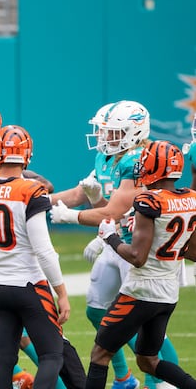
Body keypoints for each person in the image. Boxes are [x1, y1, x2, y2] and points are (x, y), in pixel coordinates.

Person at [50, 101, 175, 389]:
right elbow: (82, 193)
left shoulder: (139, 160)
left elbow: (112, 212)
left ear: (133, 132)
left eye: (114, 132)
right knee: (96, 310)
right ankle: (123, 377)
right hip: (117, 241)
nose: (105, 138)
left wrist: (70, 217)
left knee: (147, 325)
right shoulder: (108, 158)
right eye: (104, 131)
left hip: (142, 250)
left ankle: (160, 381)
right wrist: (39, 200)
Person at [0, 125, 70, 389]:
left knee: (3, 360)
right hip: (29, 284)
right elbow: (43, 250)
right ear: (27, 156)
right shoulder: (30, 191)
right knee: (52, 355)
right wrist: (62, 292)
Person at [84, 141, 196, 389]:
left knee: (100, 355)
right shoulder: (191, 199)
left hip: (140, 291)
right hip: (167, 294)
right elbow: (193, 252)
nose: (141, 167)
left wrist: (109, 237)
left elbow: (137, 257)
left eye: (146, 162)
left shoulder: (149, 201)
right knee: (148, 360)